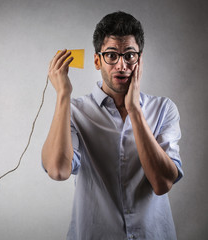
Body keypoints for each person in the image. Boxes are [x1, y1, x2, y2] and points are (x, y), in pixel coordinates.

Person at [42, 11, 183, 239]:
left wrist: (135, 110)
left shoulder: (164, 109)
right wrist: (63, 95)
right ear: (97, 61)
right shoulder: (75, 112)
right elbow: (58, 170)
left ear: (140, 60)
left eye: (129, 55)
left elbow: (163, 183)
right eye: (111, 55)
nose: (121, 65)